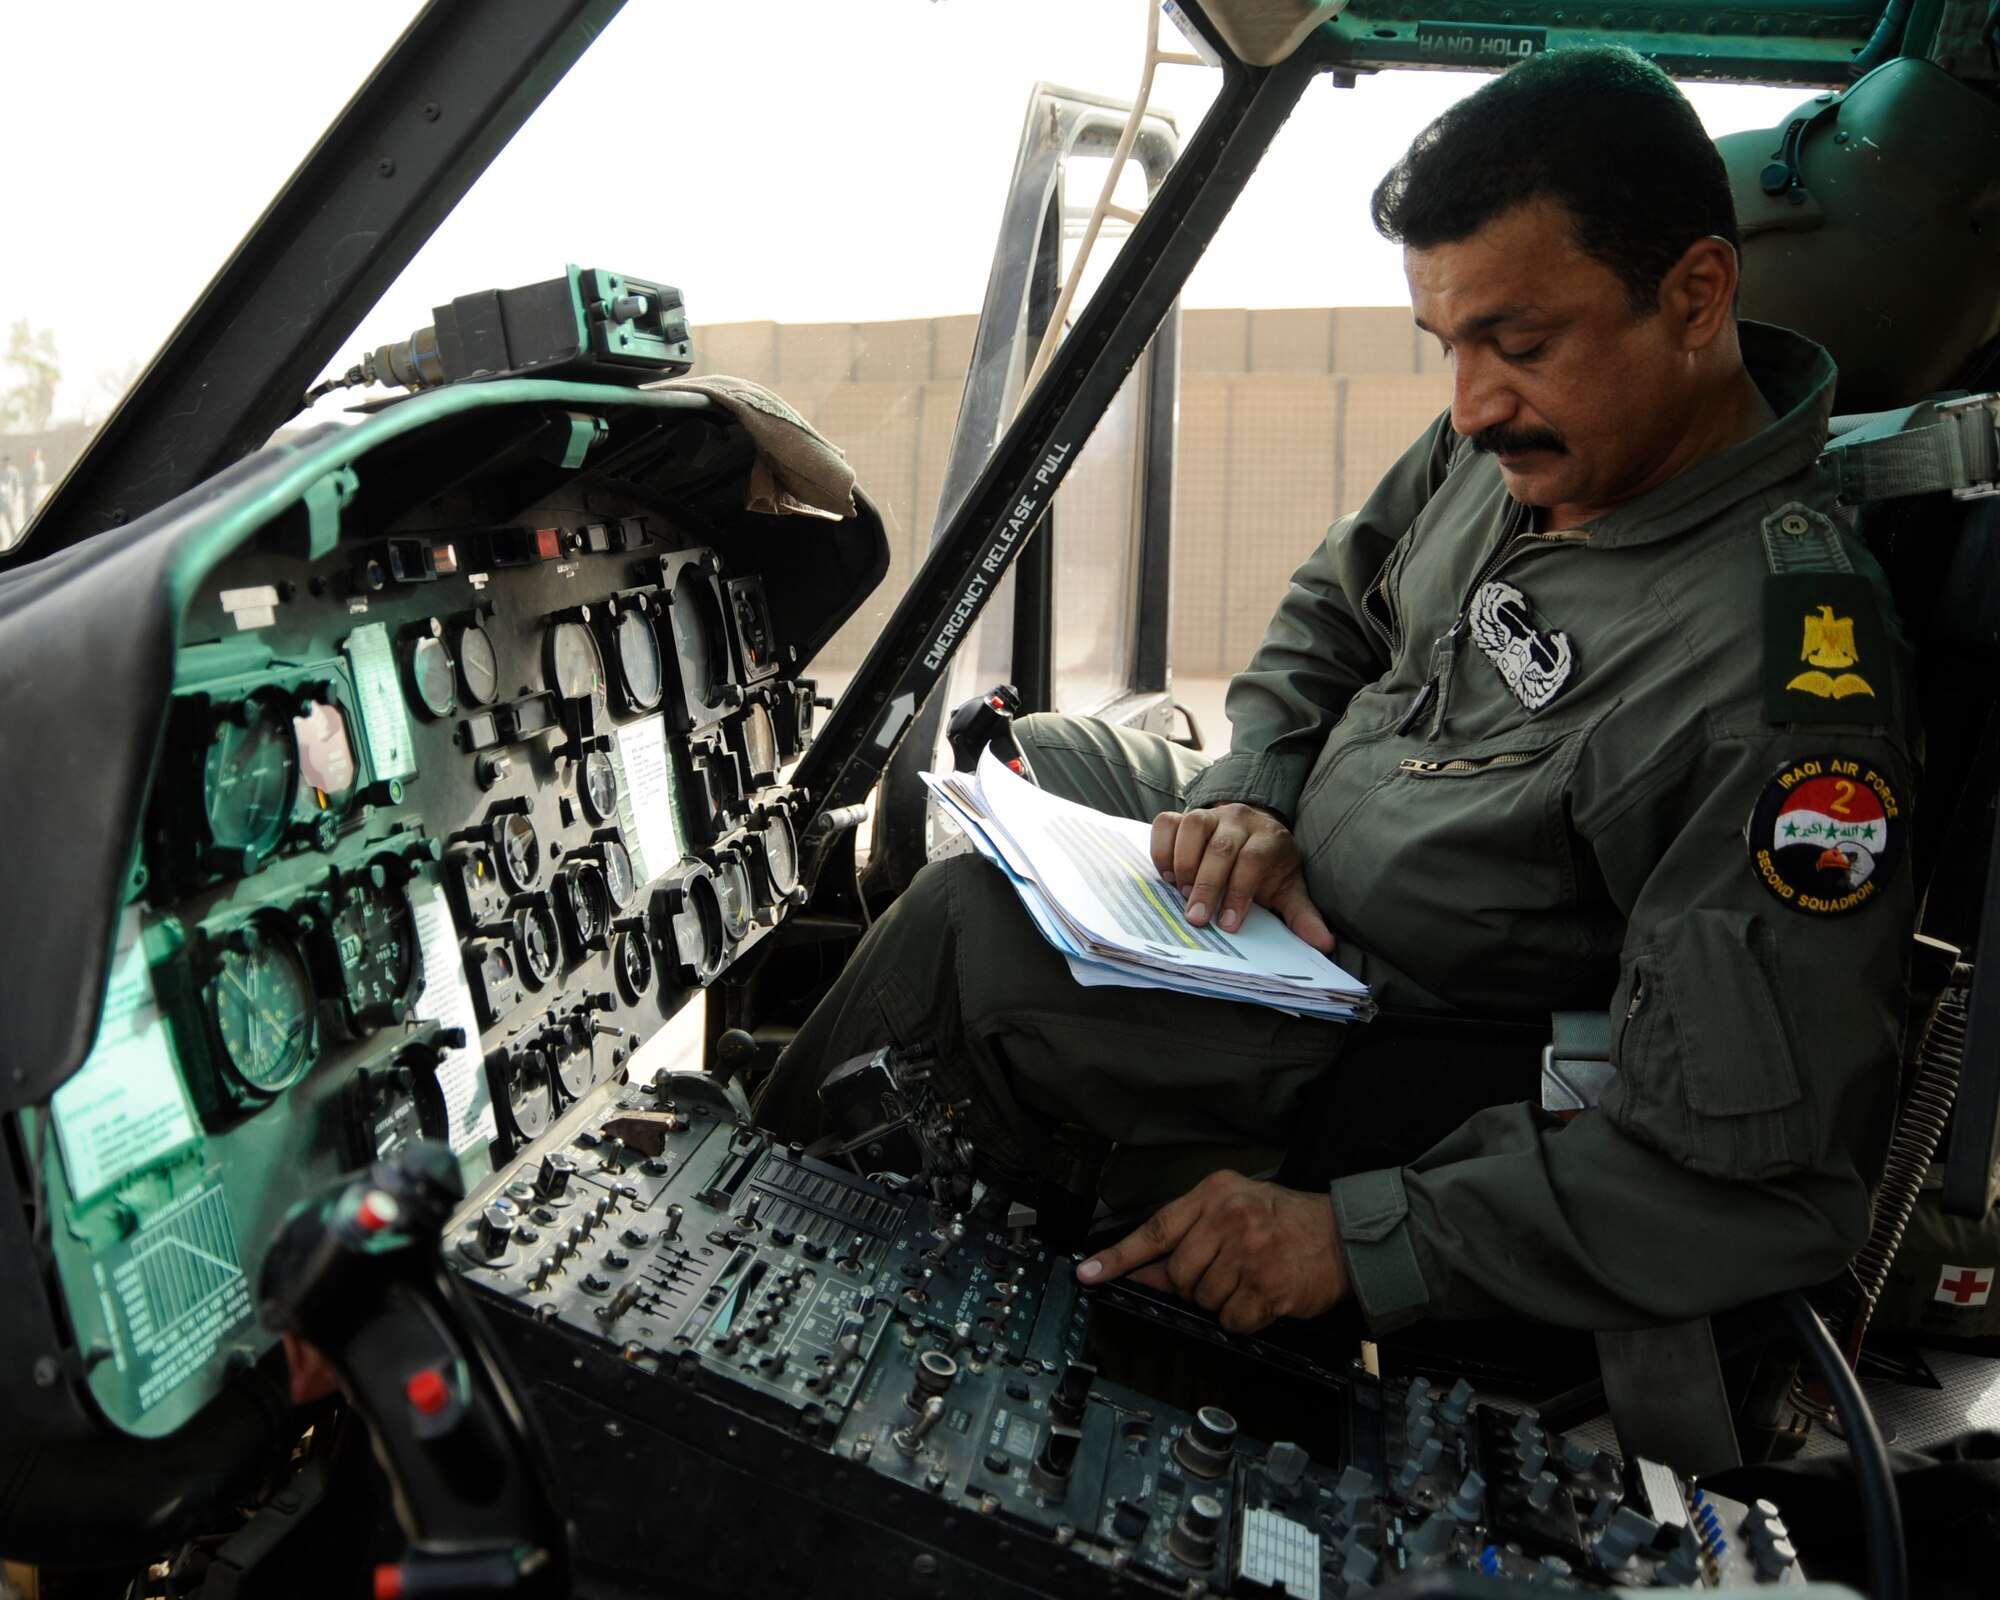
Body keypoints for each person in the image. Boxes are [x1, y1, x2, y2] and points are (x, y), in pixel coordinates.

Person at [756, 45, 1918, 1340]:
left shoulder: (1774, 681)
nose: (1471, 402)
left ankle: (729, 1278)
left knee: (971, 927)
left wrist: (1364, 1240)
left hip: (1388, 1024)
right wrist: (1256, 791)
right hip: (1288, 872)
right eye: (1450, 343)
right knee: (991, 778)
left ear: (1696, 295)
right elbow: (1332, 611)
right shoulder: (1529, 441)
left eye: (1520, 342)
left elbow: (1762, 1178)